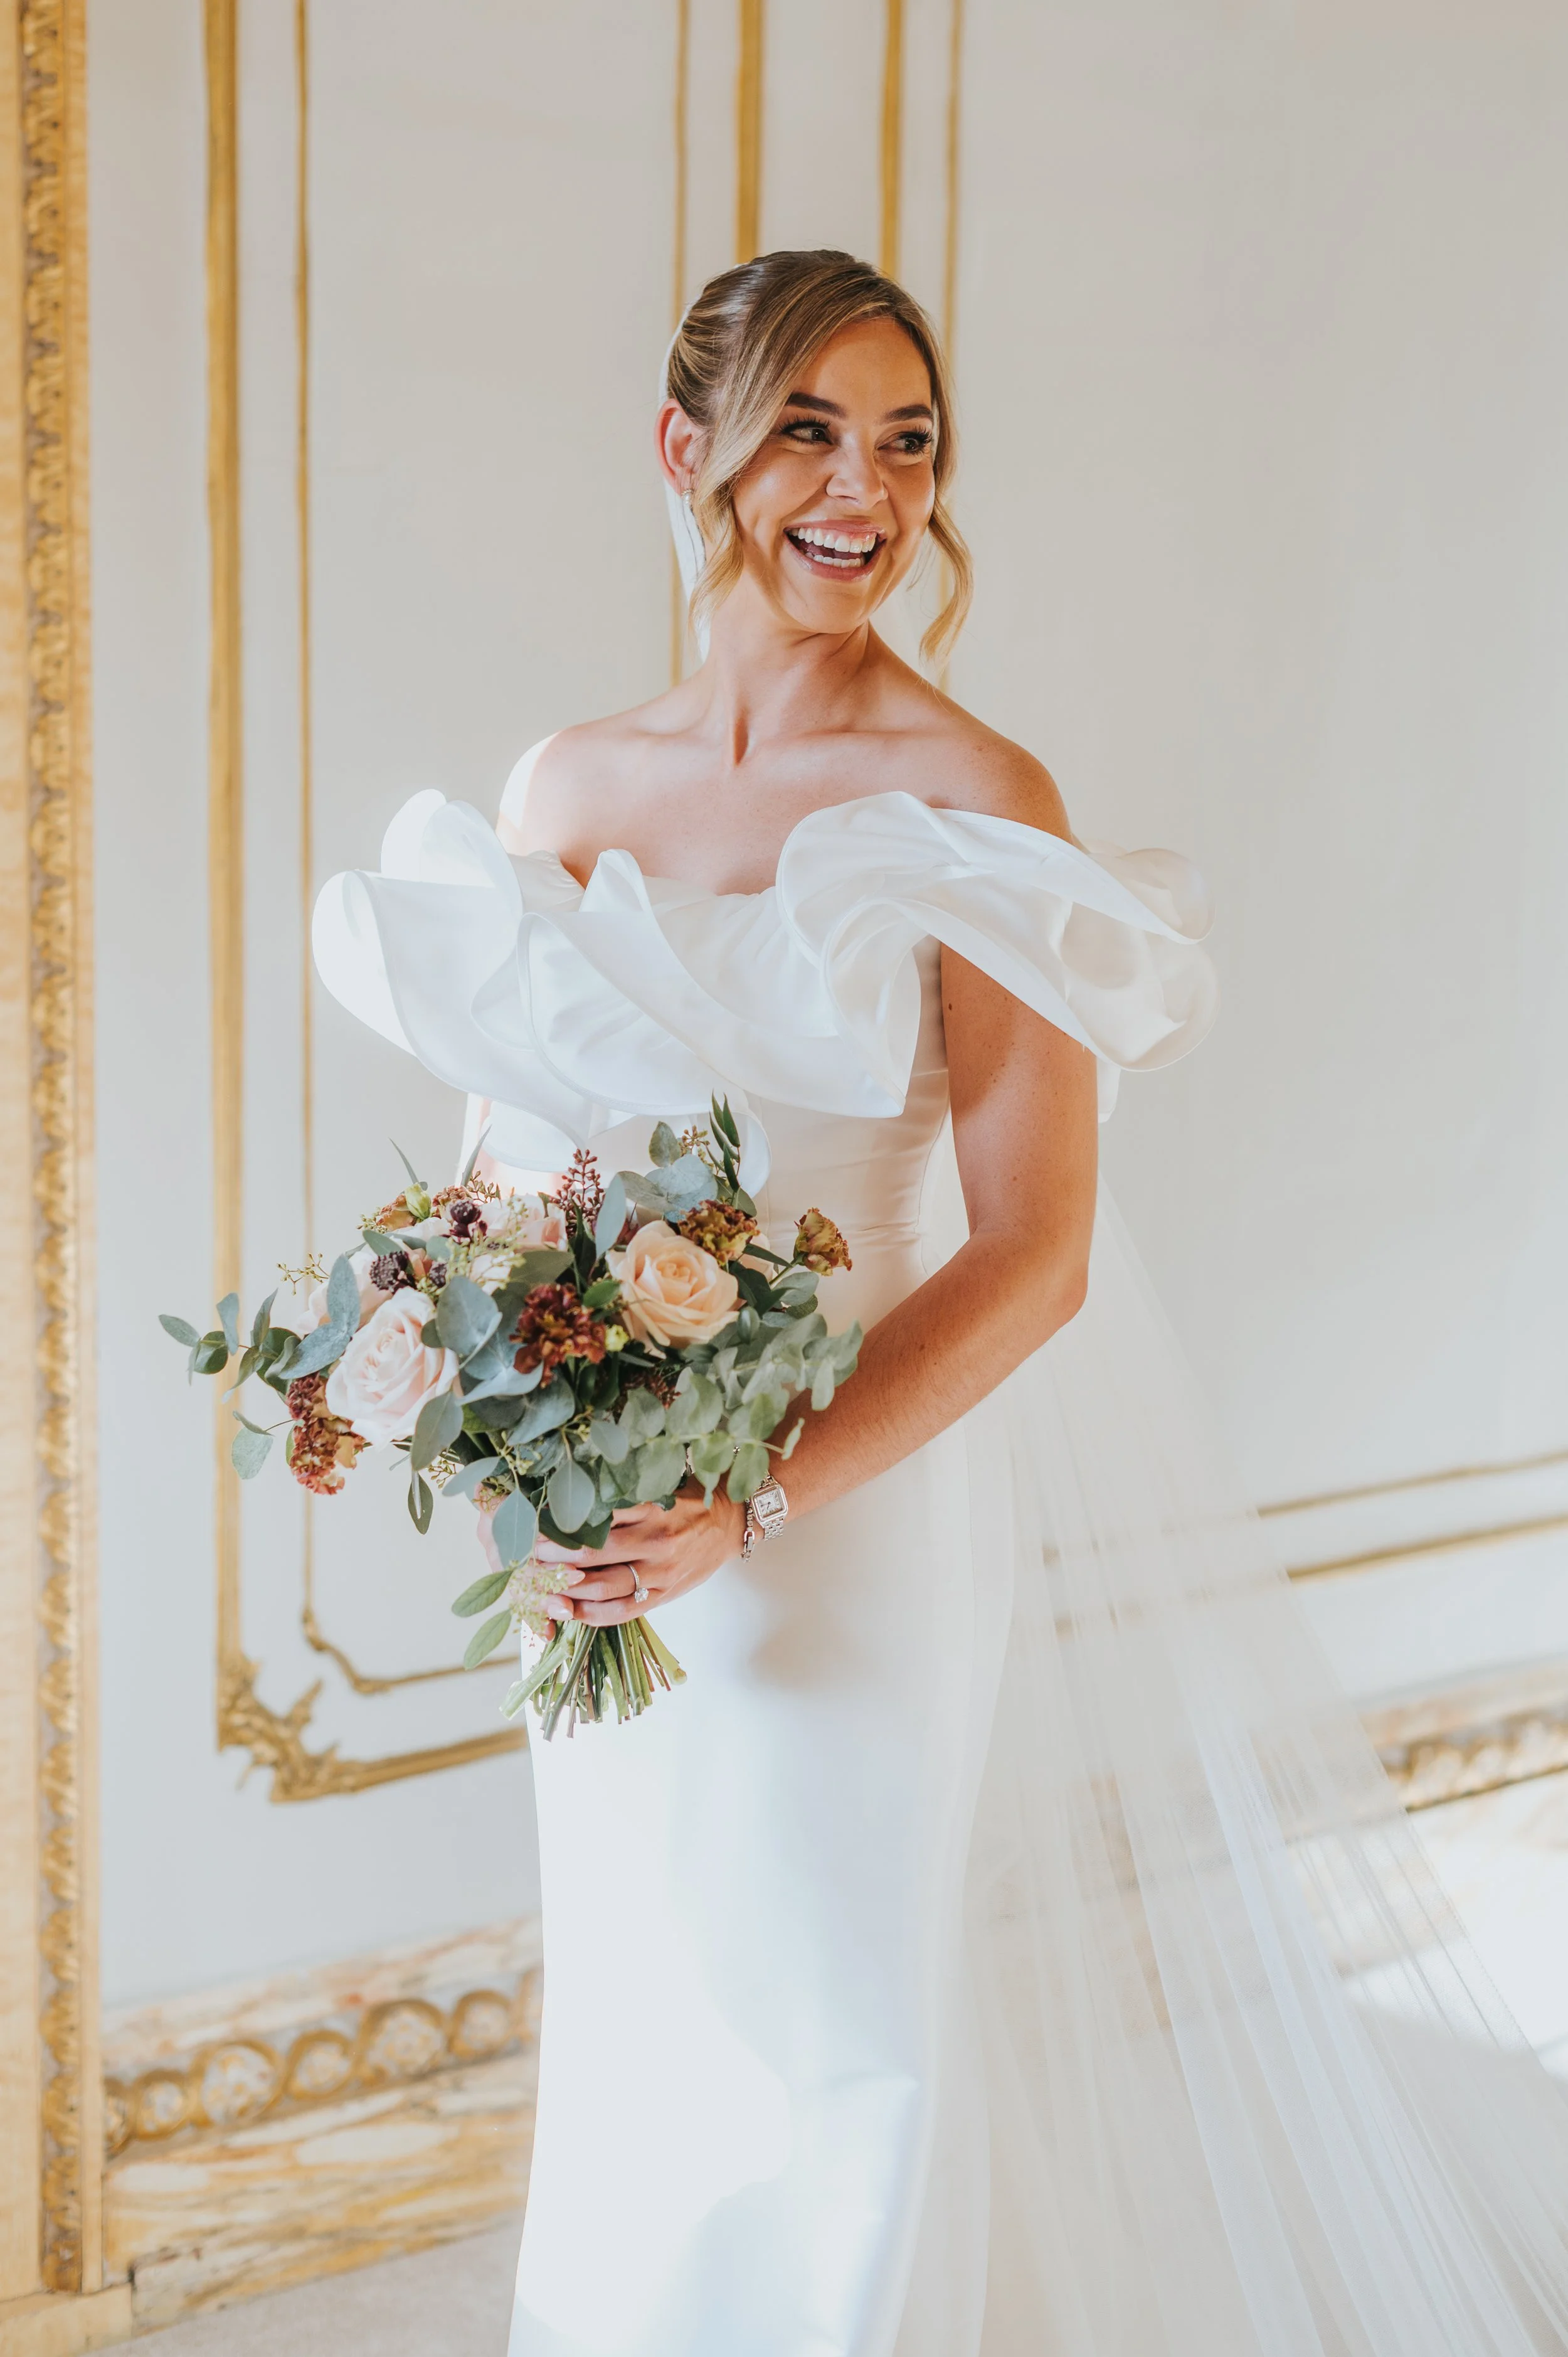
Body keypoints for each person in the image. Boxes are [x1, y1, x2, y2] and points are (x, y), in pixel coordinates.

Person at [314, 250, 1568, 2356]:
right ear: (682, 451)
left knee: (841, 2032)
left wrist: (762, 1495)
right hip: (603, 1536)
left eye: (906, 442)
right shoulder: (564, 790)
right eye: (808, 426)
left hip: (854, 1516)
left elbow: (1035, 1248)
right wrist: (490, 1446)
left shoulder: (977, 804)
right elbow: (496, 1187)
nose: (862, 488)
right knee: (646, 2003)